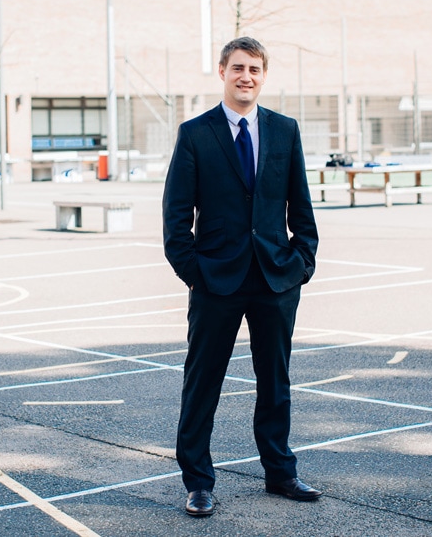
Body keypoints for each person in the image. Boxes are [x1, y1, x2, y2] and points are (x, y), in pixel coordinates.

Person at [162, 37, 320, 517]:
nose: (245, 76)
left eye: (254, 68)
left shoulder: (285, 131)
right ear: (222, 72)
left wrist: (302, 262)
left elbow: (301, 204)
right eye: (237, 68)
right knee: (202, 382)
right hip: (216, 281)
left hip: (275, 279)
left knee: (275, 381)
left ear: (264, 75)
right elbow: (175, 216)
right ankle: (198, 482)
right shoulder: (195, 134)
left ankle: (280, 473)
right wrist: (195, 273)